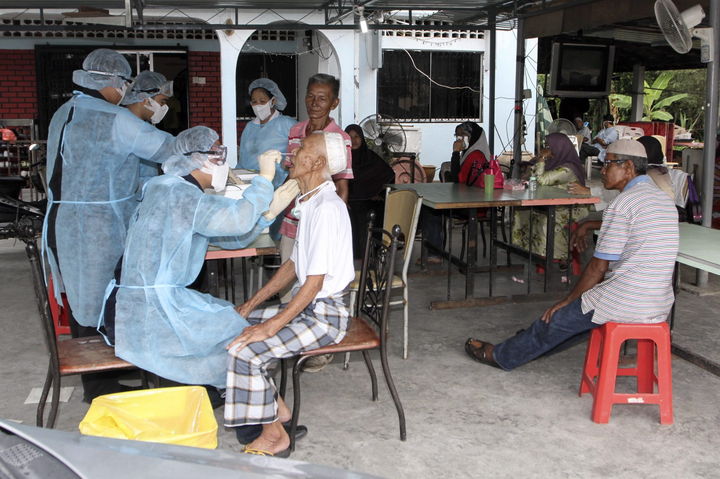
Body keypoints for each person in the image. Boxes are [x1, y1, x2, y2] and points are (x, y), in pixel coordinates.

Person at [43, 49, 208, 401]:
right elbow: (169, 150)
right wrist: (206, 148)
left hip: (64, 222)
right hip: (96, 226)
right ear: (113, 82)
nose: (125, 90)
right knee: (103, 300)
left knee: (84, 300)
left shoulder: (64, 111)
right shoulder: (115, 118)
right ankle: (101, 386)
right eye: (124, 83)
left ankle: (103, 378)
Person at [99, 126, 301, 391]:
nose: (224, 162)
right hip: (146, 313)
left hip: (144, 304)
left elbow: (231, 238)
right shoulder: (179, 195)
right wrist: (263, 180)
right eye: (219, 153)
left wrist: (267, 215)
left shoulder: (170, 189)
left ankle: (227, 393)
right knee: (241, 336)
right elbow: (236, 221)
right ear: (198, 159)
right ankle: (243, 402)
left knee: (231, 320)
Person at [465, 140, 679, 370]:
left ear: (628, 167)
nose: (602, 171)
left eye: (608, 164)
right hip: (659, 302)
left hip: (627, 300)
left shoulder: (623, 203)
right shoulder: (662, 199)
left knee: (559, 316)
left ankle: (501, 356)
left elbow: (598, 267)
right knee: (571, 322)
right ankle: (530, 342)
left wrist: (568, 301)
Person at [225, 132, 354, 458]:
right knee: (231, 326)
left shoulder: (327, 209)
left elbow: (313, 284)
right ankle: (278, 412)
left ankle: (275, 438)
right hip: (310, 306)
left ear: (318, 163)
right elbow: (294, 265)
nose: (292, 153)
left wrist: (271, 326)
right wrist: (251, 304)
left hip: (326, 316)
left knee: (246, 351)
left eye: (302, 149)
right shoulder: (311, 201)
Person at [277, 74, 352, 376]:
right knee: (289, 278)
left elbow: (342, 185)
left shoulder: (339, 138)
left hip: (319, 214)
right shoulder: (296, 131)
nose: (314, 103)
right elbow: (292, 176)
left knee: (314, 282)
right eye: (310, 96)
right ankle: (291, 338)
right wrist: (278, 206)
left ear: (334, 103)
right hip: (295, 218)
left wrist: (327, 220)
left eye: (322, 98)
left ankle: (317, 348)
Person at [511, 133, 589, 262]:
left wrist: (541, 159)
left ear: (559, 147)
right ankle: (531, 251)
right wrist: (536, 163)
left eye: (549, 146)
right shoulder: (553, 163)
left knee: (545, 219)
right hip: (553, 202)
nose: (546, 150)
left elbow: (542, 180)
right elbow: (530, 176)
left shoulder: (568, 168)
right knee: (522, 211)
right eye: (545, 146)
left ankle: (559, 256)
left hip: (570, 207)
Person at [422, 122, 492, 265]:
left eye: (463, 135)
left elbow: (456, 179)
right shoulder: (469, 153)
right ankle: (434, 250)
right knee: (428, 208)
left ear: (472, 137)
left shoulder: (476, 155)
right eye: (457, 135)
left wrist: (455, 153)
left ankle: (435, 253)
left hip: (472, 205)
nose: (459, 139)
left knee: (430, 210)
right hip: (466, 199)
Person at [344, 124, 395, 259]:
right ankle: (353, 257)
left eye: (357, 136)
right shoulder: (341, 158)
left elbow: (389, 175)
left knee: (374, 211)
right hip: (347, 201)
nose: (354, 140)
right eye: (350, 137)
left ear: (362, 138)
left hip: (368, 201)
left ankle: (369, 257)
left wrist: (378, 193)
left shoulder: (370, 157)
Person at [120, 70, 174, 193]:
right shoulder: (127, 126)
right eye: (162, 102)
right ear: (144, 99)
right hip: (125, 196)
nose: (164, 107)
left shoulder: (143, 126)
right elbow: (169, 149)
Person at [238, 78, 296, 188]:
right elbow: (243, 158)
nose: (258, 105)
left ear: (272, 101)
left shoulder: (287, 124)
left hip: (277, 184)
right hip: (248, 183)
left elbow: (298, 154)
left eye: (262, 101)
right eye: (254, 102)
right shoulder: (250, 127)